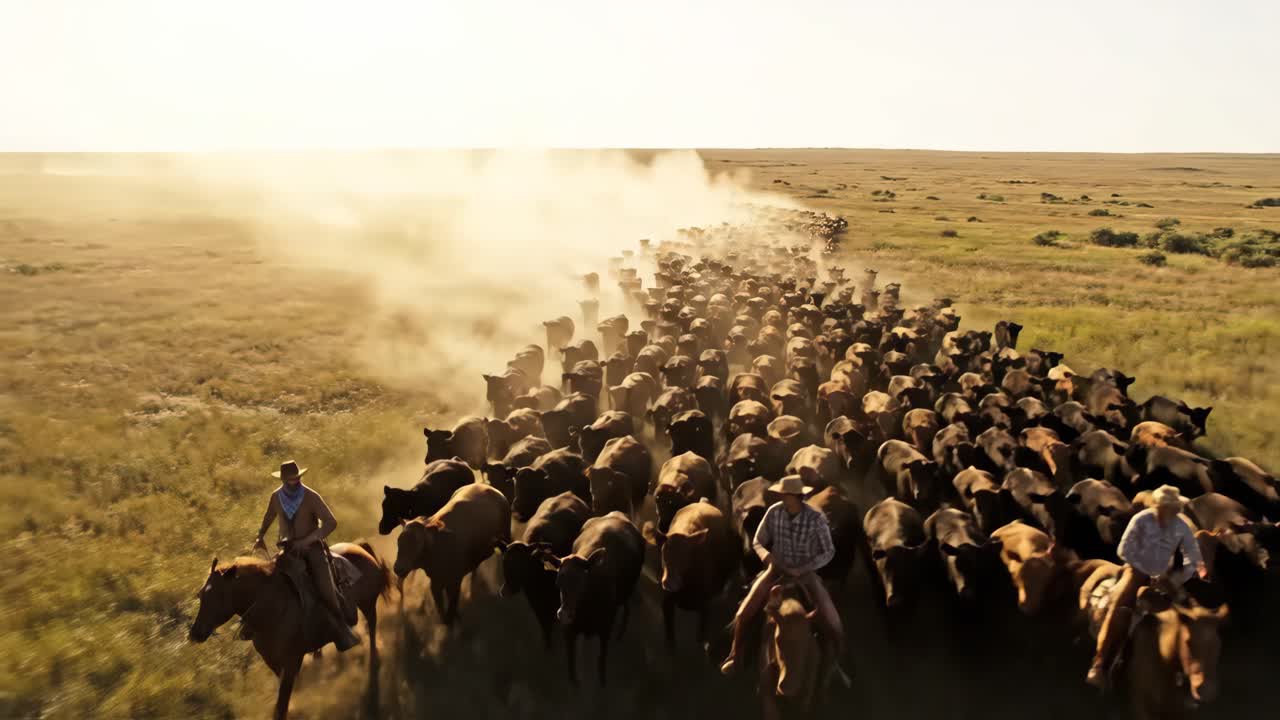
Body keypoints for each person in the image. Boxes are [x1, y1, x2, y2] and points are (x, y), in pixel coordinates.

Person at [1085, 484, 1207, 687]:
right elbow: (1124, 550)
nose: (1167, 512)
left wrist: (1176, 578)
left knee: (1193, 614)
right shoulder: (1141, 520)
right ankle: (1100, 662)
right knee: (1119, 604)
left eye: (1172, 508)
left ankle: (1193, 670)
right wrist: (1146, 569)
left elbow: (1192, 558)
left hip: (1168, 577)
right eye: (1164, 507)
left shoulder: (1181, 527)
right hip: (1137, 571)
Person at [720, 475, 842, 675]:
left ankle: (834, 663)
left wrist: (804, 568)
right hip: (776, 569)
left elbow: (828, 551)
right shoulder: (773, 512)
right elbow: (758, 541)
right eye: (782, 494)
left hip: (805, 573)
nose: (782, 498)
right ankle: (735, 654)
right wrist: (768, 559)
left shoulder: (816, 518)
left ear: (796, 496)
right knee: (743, 613)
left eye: (786, 495)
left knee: (834, 622)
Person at [253, 460, 360, 651]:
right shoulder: (276, 497)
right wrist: (260, 535)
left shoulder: (310, 496)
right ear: (283, 479)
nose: (294, 482)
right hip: (287, 549)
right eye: (290, 479)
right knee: (270, 583)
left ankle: (343, 630)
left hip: (312, 549)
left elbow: (330, 522)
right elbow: (269, 516)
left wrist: (308, 540)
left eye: (296, 478)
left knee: (326, 589)